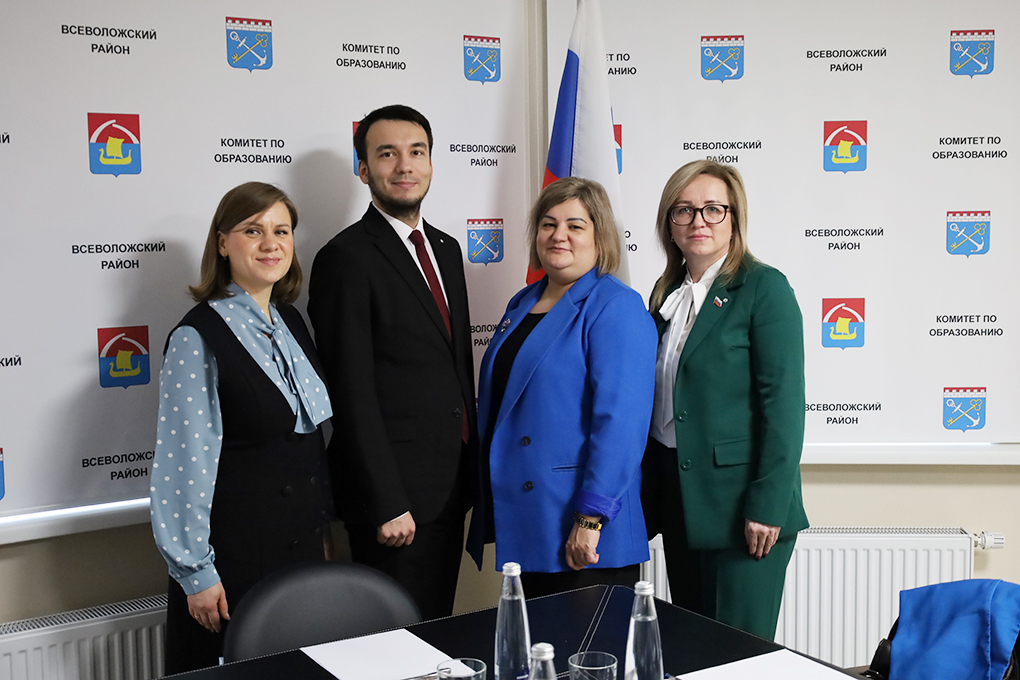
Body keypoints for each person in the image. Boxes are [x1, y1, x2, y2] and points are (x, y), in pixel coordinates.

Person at [150, 182, 333, 673]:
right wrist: (196, 573)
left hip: (299, 552)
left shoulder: (291, 321)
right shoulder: (196, 336)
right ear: (222, 242)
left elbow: (304, 446)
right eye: (253, 231)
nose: (271, 244)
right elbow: (182, 466)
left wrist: (320, 530)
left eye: (282, 231)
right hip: (232, 563)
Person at [308, 105, 477, 620]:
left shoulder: (446, 249)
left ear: (430, 163)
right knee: (397, 646)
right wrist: (385, 500)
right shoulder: (344, 258)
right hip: (394, 502)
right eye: (387, 154)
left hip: (449, 488)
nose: (405, 165)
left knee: (438, 633)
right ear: (364, 170)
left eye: (416, 152)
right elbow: (350, 393)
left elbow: (454, 367)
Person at [642, 160, 808, 640]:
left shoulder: (763, 287)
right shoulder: (666, 295)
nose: (699, 221)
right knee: (693, 651)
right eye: (684, 210)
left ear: (734, 219)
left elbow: (784, 407)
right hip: (682, 503)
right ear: (669, 223)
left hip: (742, 510)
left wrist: (767, 505)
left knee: (736, 657)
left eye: (713, 209)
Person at [466, 177, 656, 598]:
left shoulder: (616, 306)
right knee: (534, 641)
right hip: (529, 517)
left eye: (575, 225)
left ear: (600, 236)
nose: (558, 235)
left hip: (584, 528)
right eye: (548, 224)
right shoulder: (522, 302)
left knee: (586, 643)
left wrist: (591, 517)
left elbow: (620, 426)